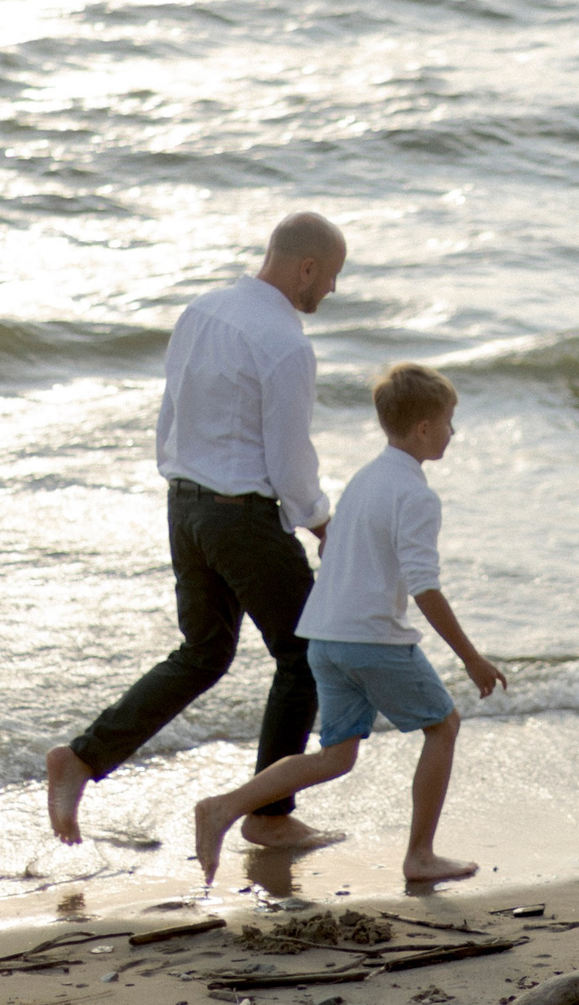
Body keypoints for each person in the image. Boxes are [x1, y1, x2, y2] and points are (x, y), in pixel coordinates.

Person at [44, 213, 347, 848]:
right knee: (309, 653)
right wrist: (325, 524)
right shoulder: (286, 344)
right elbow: (291, 462)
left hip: (184, 506)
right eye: (332, 278)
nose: (333, 293)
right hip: (239, 516)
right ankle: (269, 815)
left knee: (204, 654)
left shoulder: (202, 311)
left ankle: (81, 758)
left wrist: (187, 486)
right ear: (307, 268)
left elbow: (171, 415)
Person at [191, 363, 503, 886]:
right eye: (450, 421)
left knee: (337, 756)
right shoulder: (417, 495)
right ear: (425, 428)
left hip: (324, 638)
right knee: (443, 726)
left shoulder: (365, 479)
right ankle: (420, 856)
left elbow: (336, 548)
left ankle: (224, 807)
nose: (454, 431)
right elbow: (424, 585)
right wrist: (471, 657)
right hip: (371, 640)